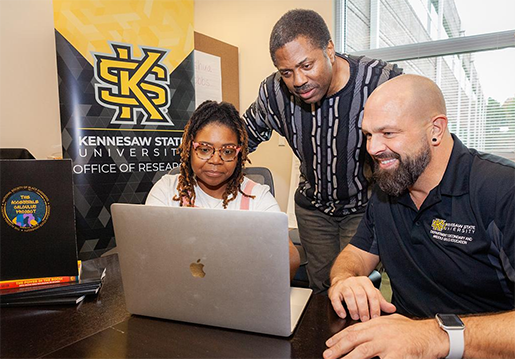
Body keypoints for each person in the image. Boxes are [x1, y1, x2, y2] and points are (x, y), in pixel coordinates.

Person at [324, 74, 515, 359]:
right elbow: (356, 254)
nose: (373, 148)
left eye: (388, 133)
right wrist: (345, 279)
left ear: (435, 129)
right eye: (368, 135)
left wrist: (433, 335)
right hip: (401, 346)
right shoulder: (389, 186)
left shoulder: (501, 189)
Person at [243, 9, 402, 293]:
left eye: (306, 65)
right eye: (287, 72)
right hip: (313, 210)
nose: (298, 80)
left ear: (329, 49)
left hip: (365, 208)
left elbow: (413, 135)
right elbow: (244, 137)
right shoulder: (274, 92)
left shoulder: (380, 82)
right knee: (322, 290)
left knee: (358, 291)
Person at [146, 100, 300, 280]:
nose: (215, 160)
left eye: (227, 151)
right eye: (204, 149)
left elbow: (290, 256)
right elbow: (148, 251)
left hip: (239, 294)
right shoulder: (166, 191)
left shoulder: (257, 197)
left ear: (239, 154)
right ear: (189, 147)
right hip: (177, 292)